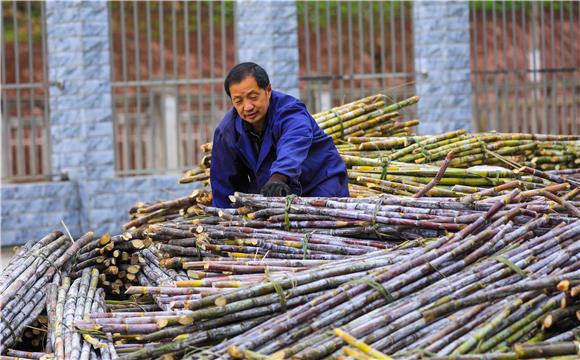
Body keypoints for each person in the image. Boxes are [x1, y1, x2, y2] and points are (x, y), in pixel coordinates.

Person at [210, 62, 349, 208]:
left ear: (268, 90)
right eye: (238, 101)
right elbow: (224, 183)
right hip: (275, 193)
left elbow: (293, 144)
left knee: (321, 223)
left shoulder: (291, 112)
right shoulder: (227, 131)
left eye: (253, 97)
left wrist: (279, 176)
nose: (248, 107)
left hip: (321, 182)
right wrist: (223, 217)